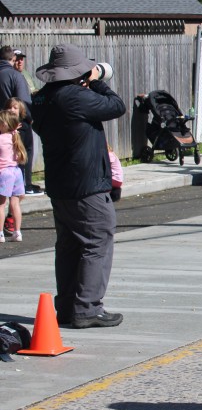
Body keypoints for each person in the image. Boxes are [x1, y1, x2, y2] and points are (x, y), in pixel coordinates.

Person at [32, 43, 127, 327]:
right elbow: (117, 106)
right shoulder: (74, 96)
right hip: (86, 184)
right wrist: (96, 82)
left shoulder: (42, 99)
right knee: (97, 240)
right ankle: (87, 308)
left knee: (69, 246)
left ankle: (67, 308)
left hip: (60, 184)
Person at [0, 46, 36, 198]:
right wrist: (30, 118)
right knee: (23, 152)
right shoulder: (15, 75)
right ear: (13, 59)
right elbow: (24, 102)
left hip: (1, 123)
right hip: (17, 123)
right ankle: (25, 185)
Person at [0, 109, 26, 243]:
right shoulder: (15, 136)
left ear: (4, 124)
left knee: (1, 204)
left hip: (4, 173)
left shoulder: (1, 138)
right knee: (15, 204)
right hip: (16, 172)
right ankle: (17, 232)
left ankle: (0, 234)